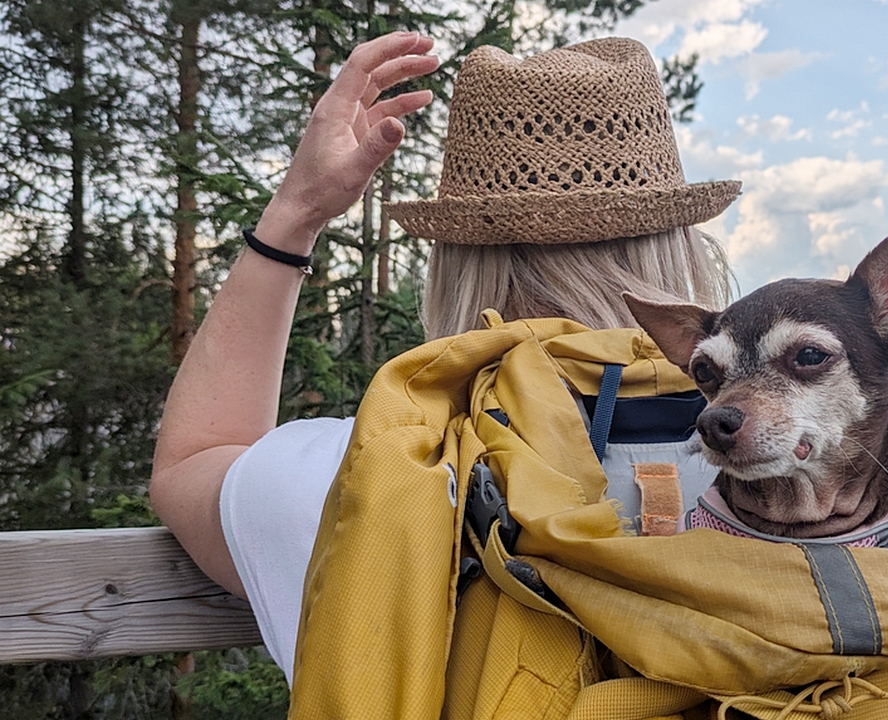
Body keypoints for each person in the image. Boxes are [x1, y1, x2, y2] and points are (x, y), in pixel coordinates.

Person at [150, 31, 739, 686]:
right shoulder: (818, 470)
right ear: (681, 250)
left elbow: (192, 461)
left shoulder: (367, 477)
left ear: (453, 266)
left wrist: (294, 216)